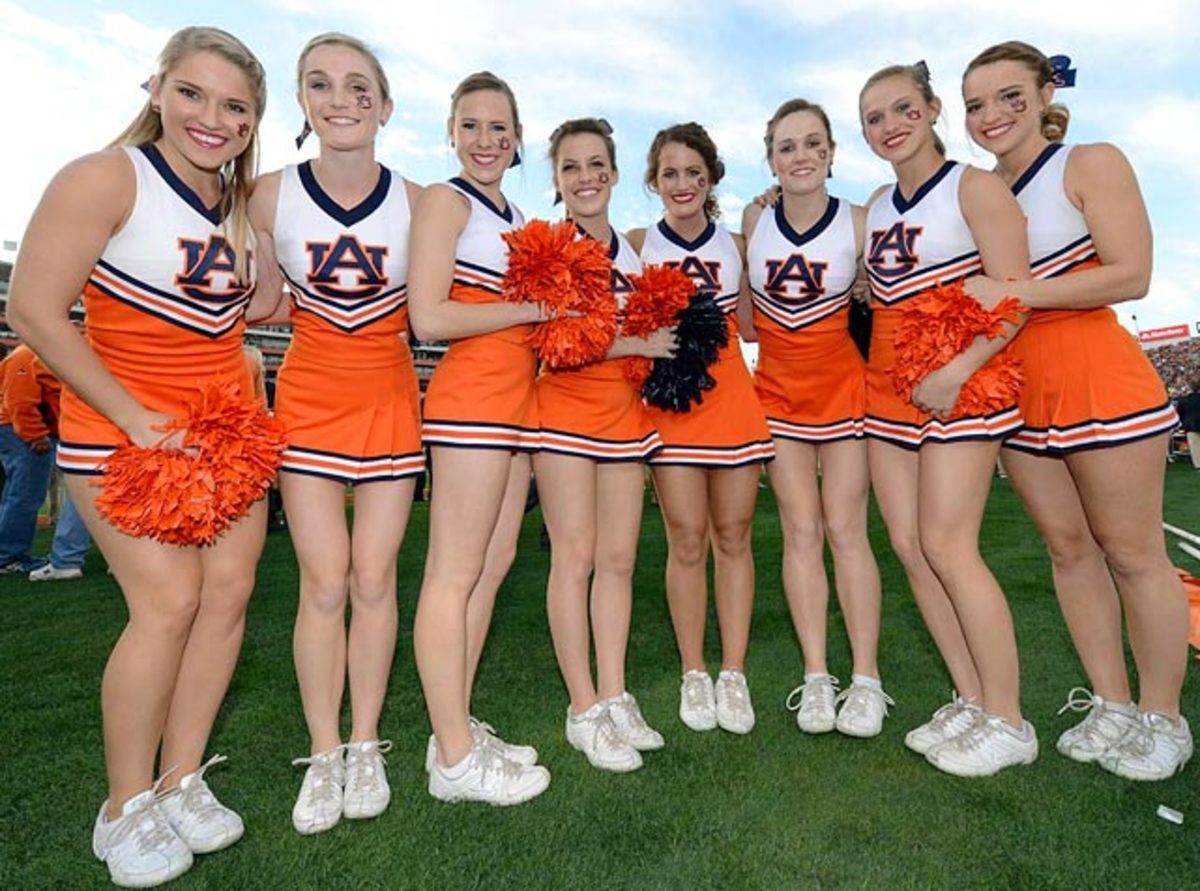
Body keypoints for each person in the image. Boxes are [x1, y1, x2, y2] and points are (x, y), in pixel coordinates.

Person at [7, 26, 267, 886]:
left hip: (222, 437)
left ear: (252, 120)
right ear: (156, 88)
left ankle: (181, 777)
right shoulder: (104, 176)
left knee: (226, 598)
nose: (211, 117)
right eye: (192, 93)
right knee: (168, 602)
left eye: (234, 106)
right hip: (122, 434)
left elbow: (241, 313)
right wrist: (134, 414)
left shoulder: (237, 207)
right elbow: (36, 311)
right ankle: (122, 807)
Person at [961, 40, 1192, 779]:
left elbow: (1132, 272)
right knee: (1068, 551)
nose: (991, 115)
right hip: (1018, 390)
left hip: (1098, 376)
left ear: (1044, 94)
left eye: (1007, 97)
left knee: (1132, 553)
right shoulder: (976, 190)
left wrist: (1019, 294)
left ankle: (1164, 716)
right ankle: (1112, 701)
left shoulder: (1088, 162)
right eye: (975, 104)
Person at [247, 33, 424, 833]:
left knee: (374, 579)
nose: (341, 99)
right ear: (303, 101)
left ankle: (365, 740)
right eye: (320, 84)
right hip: (311, 399)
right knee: (322, 582)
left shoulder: (421, 202)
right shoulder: (264, 195)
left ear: (385, 106)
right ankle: (323, 752)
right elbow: (259, 300)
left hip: (390, 399)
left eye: (360, 87)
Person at [859, 62, 1035, 776]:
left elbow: (1017, 293)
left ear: (933, 110)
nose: (890, 125)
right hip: (888, 391)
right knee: (908, 544)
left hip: (963, 380)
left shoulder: (975, 185)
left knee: (948, 542)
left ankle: (1010, 719)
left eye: (903, 108)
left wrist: (957, 369)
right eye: (874, 118)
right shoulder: (873, 203)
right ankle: (971, 695)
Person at [409, 71, 551, 804]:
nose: (486, 140)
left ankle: (452, 726)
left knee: (492, 566)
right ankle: (458, 763)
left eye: (500, 128)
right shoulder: (445, 200)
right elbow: (428, 317)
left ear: (518, 137)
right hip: (471, 403)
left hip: (518, 401)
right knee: (453, 573)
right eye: (472, 126)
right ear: (451, 132)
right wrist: (532, 307)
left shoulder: (518, 213)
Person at [741, 100, 890, 737]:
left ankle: (866, 679)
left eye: (811, 144)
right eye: (786, 147)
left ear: (831, 152)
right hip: (775, 393)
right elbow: (746, 315)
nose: (799, 156)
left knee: (846, 530)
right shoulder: (754, 218)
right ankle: (815, 675)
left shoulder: (859, 222)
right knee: (800, 531)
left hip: (843, 392)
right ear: (771, 158)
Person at [535, 118, 678, 771]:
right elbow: (552, 339)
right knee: (577, 555)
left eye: (597, 164)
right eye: (571, 167)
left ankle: (615, 690)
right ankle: (582, 704)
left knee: (619, 557)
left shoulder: (634, 252)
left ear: (616, 174)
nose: (586, 177)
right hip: (563, 410)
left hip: (624, 414)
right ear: (557, 179)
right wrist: (636, 343)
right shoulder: (548, 247)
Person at [627, 123, 773, 736]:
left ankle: (732, 672)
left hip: (732, 396)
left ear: (710, 178)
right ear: (654, 181)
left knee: (734, 534)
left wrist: (765, 216)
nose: (682, 184)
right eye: (669, 174)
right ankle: (694, 670)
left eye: (693, 172)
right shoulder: (636, 243)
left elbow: (753, 328)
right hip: (669, 401)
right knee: (686, 537)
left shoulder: (739, 241)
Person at [0, 344, 56, 574]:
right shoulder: (28, 354)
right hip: (19, 430)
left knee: (16, 494)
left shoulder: (34, 351)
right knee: (25, 494)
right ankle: (9, 555)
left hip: (15, 428)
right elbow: (20, 402)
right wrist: (35, 434)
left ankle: (8, 552)